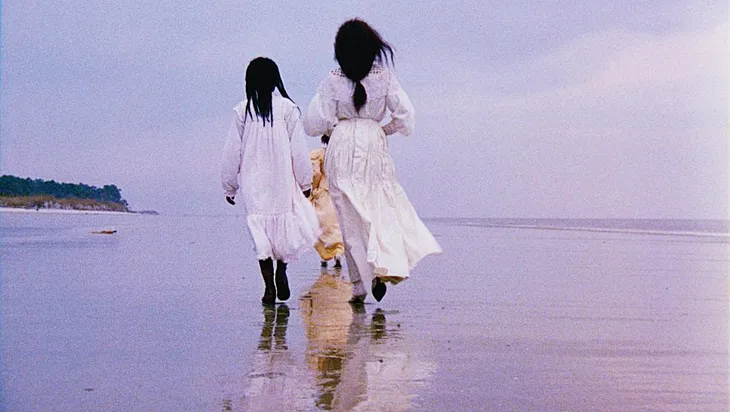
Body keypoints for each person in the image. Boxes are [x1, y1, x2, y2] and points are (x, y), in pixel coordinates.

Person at [302, 19, 441, 304]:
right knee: (380, 209)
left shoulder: (332, 80)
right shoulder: (384, 78)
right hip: (373, 144)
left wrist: (335, 127)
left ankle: (359, 285)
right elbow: (406, 117)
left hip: (342, 144)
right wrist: (383, 130)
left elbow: (314, 122)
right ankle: (382, 265)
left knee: (349, 217)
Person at [221, 57, 319, 305]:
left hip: (254, 182)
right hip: (281, 179)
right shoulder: (288, 109)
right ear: (276, 80)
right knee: (283, 226)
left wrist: (229, 185)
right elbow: (298, 149)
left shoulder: (242, 111)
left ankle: (268, 287)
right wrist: (305, 183)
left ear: (249, 81)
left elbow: (232, 151)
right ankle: (282, 271)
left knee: (260, 232)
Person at [309, 134, 345, 268]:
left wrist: (314, 188)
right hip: (339, 191)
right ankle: (338, 252)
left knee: (321, 224)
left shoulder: (318, 154)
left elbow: (316, 173)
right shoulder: (342, 156)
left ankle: (324, 255)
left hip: (323, 191)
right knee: (337, 225)